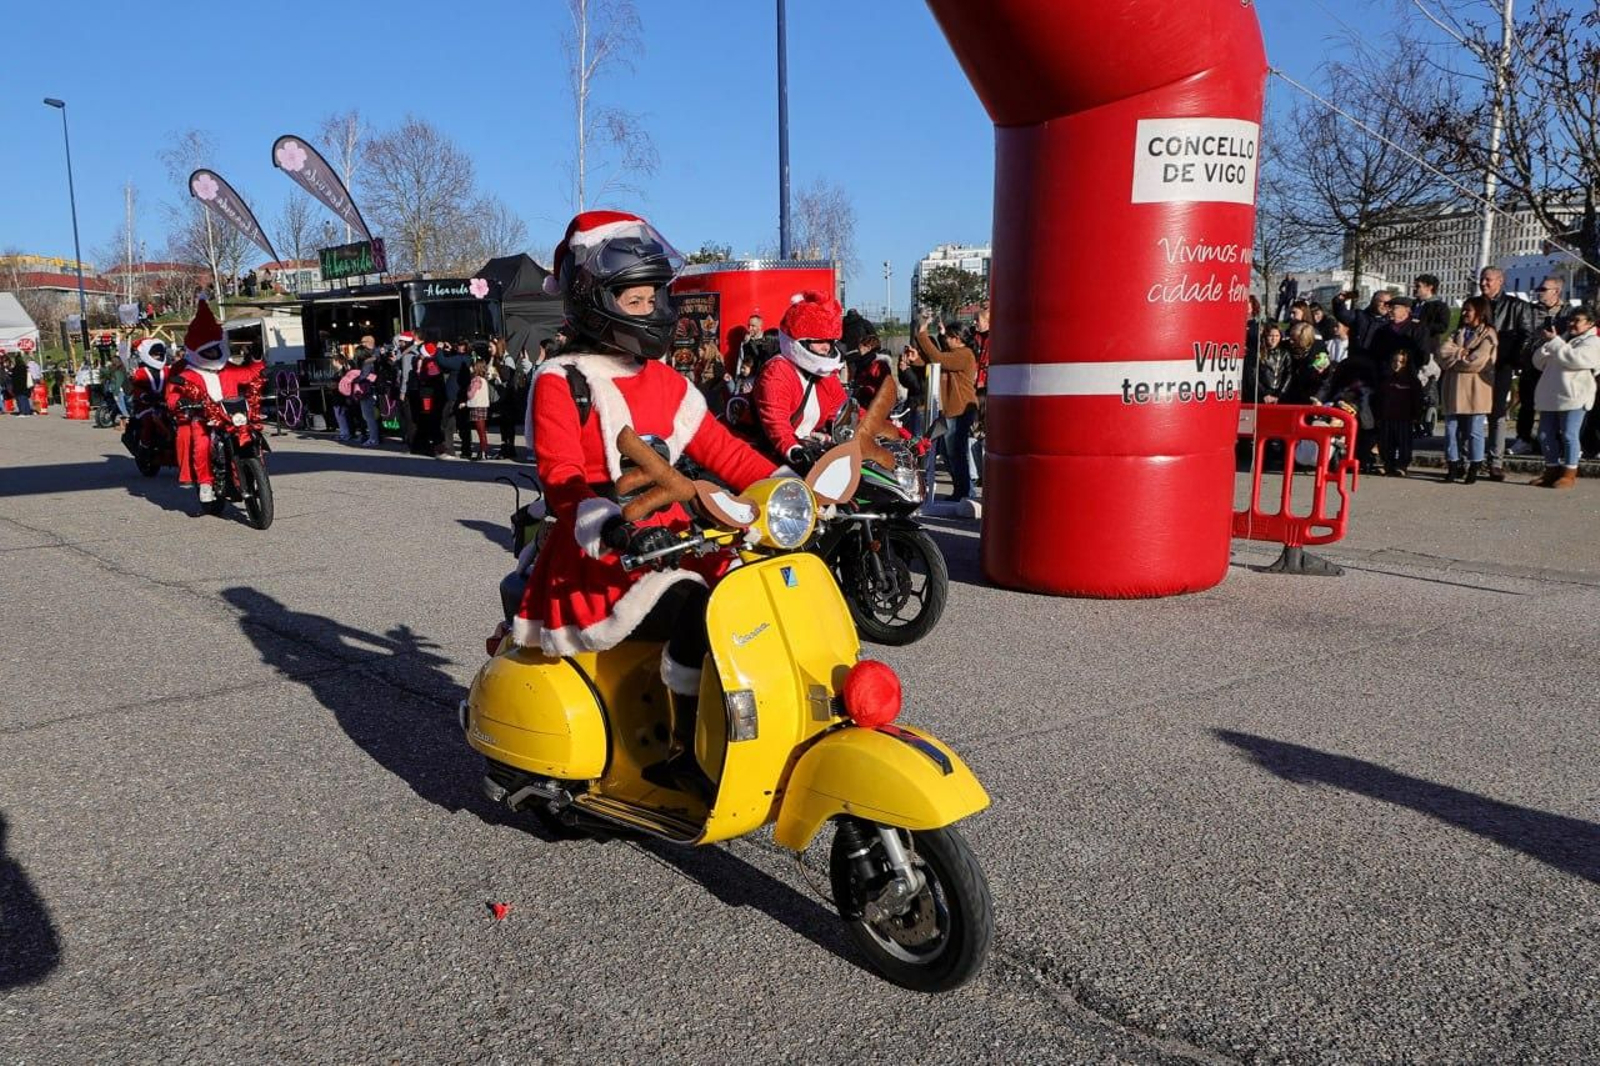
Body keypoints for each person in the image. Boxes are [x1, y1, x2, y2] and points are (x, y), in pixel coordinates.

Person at [510, 210, 786, 796]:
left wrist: (792, 489)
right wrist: (606, 523)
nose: (652, 311)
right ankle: (685, 751)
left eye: (655, 297)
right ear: (593, 299)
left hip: (674, 540)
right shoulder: (562, 380)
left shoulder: (669, 382)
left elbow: (728, 455)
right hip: (602, 554)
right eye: (634, 300)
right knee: (702, 607)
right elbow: (561, 474)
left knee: (757, 596)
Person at [169, 297, 264, 507]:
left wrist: (257, 359)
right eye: (208, 350)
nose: (213, 353)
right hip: (204, 418)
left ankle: (253, 475)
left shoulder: (229, 368)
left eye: (215, 349)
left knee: (251, 436)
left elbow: (249, 374)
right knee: (201, 445)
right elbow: (174, 393)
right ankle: (205, 483)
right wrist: (181, 402)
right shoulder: (189, 373)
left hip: (231, 416)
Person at [750, 290, 850, 466]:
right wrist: (793, 449)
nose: (826, 347)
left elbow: (842, 407)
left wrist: (876, 426)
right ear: (800, 341)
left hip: (812, 453)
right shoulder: (777, 372)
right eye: (819, 341)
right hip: (775, 457)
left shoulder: (824, 373)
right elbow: (776, 423)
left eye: (829, 341)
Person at [909, 312, 980, 501]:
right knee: (950, 454)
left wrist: (922, 333)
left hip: (960, 410)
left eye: (948, 337)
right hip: (951, 410)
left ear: (957, 339)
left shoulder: (965, 355)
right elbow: (936, 362)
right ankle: (962, 491)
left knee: (956, 453)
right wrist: (916, 358)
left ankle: (964, 492)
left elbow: (938, 358)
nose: (945, 340)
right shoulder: (955, 355)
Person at [1528, 305, 1599, 489]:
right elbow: (1538, 362)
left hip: (1575, 395)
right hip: (1551, 394)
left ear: (1590, 323)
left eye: (1577, 320)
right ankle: (1551, 470)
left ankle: (1569, 473)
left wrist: (1556, 343)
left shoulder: (1593, 342)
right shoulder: (1562, 339)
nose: (1572, 324)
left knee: (1569, 434)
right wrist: (1548, 344)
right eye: (1570, 320)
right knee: (1544, 434)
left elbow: (1575, 359)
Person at [1477, 266, 1533, 479]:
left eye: (1488, 279)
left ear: (1500, 281)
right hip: (1477, 364)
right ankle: (1470, 457)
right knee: (1472, 410)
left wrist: (1514, 358)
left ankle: (1495, 461)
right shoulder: (1475, 304)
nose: (1484, 283)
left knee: (1497, 412)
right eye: (1482, 279)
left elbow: (1527, 334)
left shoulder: (1516, 306)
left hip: (1502, 364)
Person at [1437, 295, 1498, 484]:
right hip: (1453, 387)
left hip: (1476, 388)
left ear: (1480, 312)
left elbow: (1478, 362)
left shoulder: (1488, 334)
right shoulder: (1458, 333)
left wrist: (1455, 360)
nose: (1464, 313)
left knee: (1475, 430)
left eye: (1468, 310)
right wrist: (1460, 354)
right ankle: (1453, 464)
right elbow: (1442, 353)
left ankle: (1474, 465)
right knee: (1451, 428)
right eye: (1463, 309)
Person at [1517, 276, 1571, 453]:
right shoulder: (1530, 310)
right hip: (1531, 364)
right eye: (1539, 289)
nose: (1539, 292)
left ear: (1556, 291)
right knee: (1527, 403)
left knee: (1556, 405)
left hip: (1556, 365)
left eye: (1543, 289)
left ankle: (1556, 441)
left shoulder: (1569, 312)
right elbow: (1524, 333)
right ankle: (1523, 438)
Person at [1376, 350, 1424, 476]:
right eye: (1394, 361)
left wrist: (1417, 415)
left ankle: (1402, 466)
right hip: (1387, 416)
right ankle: (1388, 464)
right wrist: (1379, 415)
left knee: (1404, 444)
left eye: (1401, 362)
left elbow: (1418, 400)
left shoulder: (1412, 381)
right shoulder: (1386, 380)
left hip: (1404, 417)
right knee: (1386, 443)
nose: (1397, 364)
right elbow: (1379, 399)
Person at [129, 339, 173, 449]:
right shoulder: (140, 372)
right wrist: (144, 396)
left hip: (166, 404)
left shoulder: (168, 370)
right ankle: (145, 445)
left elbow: (176, 382)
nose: (158, 357)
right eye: (155, 355)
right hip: (146, 405)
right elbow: (136, 387)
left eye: (160, 354)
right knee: (149, 420)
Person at [355, 334, 382, 447]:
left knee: (368, 416)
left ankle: (373, 439)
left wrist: (355, 379)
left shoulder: (367, 363)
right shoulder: (372, 359)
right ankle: (373, 437)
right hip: (371, 390)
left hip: (366, 391)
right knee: (370, 416)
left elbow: (364, 376)